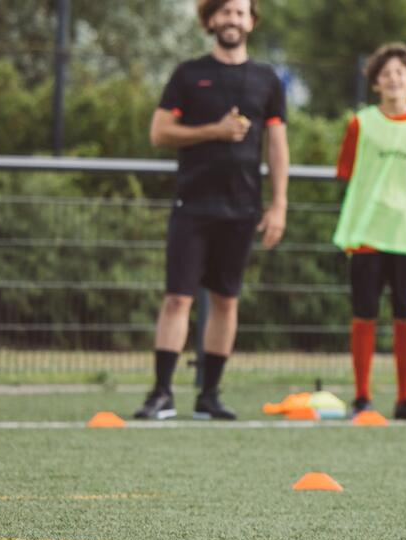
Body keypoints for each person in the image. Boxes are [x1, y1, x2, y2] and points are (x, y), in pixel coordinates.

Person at [134, 0, 287, 420]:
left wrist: (279, 205)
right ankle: (162, 393)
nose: (232, 19)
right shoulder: (188, 73)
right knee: (177, 299)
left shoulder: (266, 79)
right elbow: (159, 131)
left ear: (251, 22)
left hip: (242, 208)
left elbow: (276, 145)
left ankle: (210, 395)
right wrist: (214, 131)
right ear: (211, 20)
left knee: (226, 300)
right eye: (225, 12)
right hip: (193, 205)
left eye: (240, 12)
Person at [332, 42, 406, 422]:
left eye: (400, 73)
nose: (393, 79)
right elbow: (345, 172)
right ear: (376, 84)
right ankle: (362, 396)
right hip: (366, 228)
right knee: (364, 312)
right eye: (386, 74)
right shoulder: (360, 123)